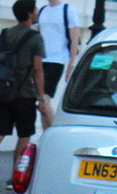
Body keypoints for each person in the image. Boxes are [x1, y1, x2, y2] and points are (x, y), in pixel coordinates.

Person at [0, 0, 45, 192]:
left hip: (2, 92)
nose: (37, 12)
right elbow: (38, 69)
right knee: (24, 135)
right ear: (30, 14)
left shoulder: (4, 34)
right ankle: (15, 176)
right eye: (35, 9)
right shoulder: (35, 38)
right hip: (24, 94)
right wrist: (42, 97)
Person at [36, 0, 80, 129]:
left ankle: (53, 133)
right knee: (41, 104)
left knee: (44, 100)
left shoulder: (68, 10)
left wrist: (71, 64)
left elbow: (74, 39)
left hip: (56, 60)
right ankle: (46, 135)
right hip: (40, 60)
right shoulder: (43, 10)